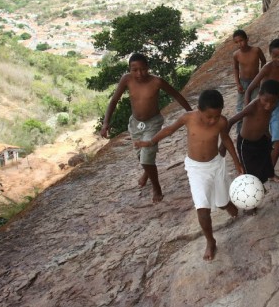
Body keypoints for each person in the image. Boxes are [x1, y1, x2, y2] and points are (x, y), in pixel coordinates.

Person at [135, 89, 244, 261]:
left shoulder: (222, 122)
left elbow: (226, 139)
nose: (213, 120)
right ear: (199, 110)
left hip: (216, 165)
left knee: (223, 202)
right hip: (196, 169)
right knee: (202, 208)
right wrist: (150, 141)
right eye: (209, 116)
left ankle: (233, 209)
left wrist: (237, 163)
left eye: (217, 115)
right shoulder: (188, 118)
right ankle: (210, 241)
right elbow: (169, 130)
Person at [100, 53, 192, 203]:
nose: (139, 74)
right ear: (129, 69)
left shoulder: (157, 82)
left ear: (148, 68)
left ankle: (157, 188)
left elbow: (177, 95)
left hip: (153, 123)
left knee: (147, 154)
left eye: (143, 69)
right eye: (134, 70)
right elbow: (114, 100)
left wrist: (191, 113)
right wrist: (106, 122)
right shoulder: (127, 79)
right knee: (141, 157)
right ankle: (147, 172)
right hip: (135, 124)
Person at [244, 38, 279, 182]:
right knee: (263, 140)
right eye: (276, 56)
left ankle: (270, 172)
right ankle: (257, 172)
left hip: (277, 105)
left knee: (278, 140)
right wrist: (249, 111)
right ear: (270, 55)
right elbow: (249, 89)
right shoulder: (267, 68)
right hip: (261, 107)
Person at [228, 79, 279, 188]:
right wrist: (223, 146)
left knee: (265, 165)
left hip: (261, 140)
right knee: (249, 173)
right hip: (246, 144)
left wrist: (268, 136)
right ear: (259, 95)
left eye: (273, 102)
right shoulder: (253, 107)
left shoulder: (272, 106)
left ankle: (261, 185)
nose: (268, 105)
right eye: (265, 101)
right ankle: (250, 194)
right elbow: (230, 121)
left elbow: (264, 122)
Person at [232, 29, 266, 131]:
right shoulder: (236, 54)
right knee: (240, 108)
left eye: (241, 40)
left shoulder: (256, 50)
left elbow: (263, 62)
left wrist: (260, 77)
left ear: (247, 39)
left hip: (255, 82)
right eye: (237, 42)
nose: (240, 44)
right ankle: (240, 131)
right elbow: (236, 68)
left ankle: (255, 129)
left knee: (255, 105)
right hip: (243, 83)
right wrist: (238, 83)